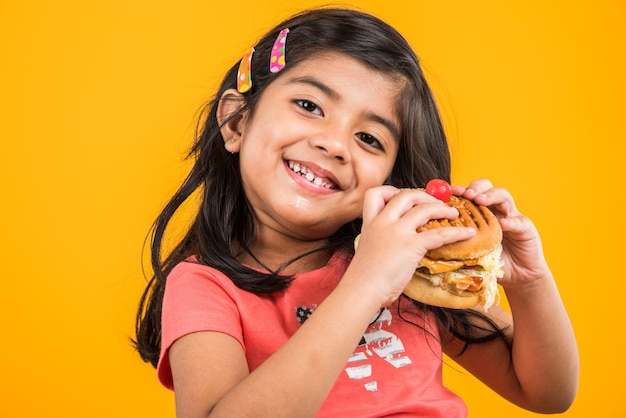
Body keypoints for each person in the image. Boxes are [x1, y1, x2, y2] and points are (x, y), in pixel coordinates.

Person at [134, 7, 579, 417]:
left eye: (370, 139)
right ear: (236, 122)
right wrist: (366, 284)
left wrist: (530, 282)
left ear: (389, 177)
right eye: (309, 106)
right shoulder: (204, 286)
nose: (334, 144)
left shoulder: (413, 269)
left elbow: (546, 392)